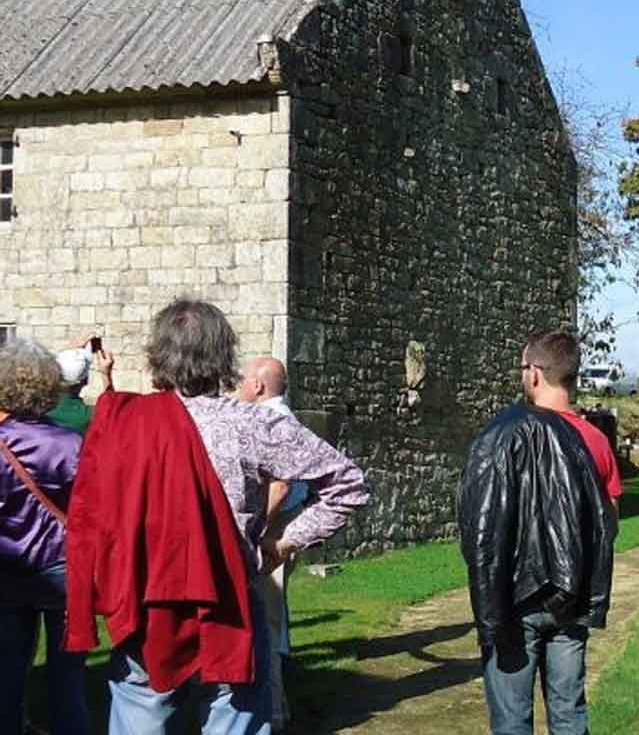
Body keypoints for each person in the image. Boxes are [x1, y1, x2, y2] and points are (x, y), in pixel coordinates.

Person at [66, 298, 369, 734]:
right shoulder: (252, 424)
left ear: (158, 355)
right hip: (227, 597)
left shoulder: (123, 423)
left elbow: (94, 515)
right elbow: (349, 485)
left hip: (148, 603)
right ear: (224, 355)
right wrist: (281, 541)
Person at [458, 329, 617, 735]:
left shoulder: (501, 433)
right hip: (572, 594)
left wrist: (489, 601)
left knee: (512, 721)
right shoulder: (594, 439)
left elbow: (482, 524)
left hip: (514, 597)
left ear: (534, 374)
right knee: (569, 714)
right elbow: (607, 522)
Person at [0, 337, 90, 735]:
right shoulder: (70, 444)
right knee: (67, 677)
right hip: (63, 568)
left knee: (7, 674)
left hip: (7, 567)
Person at [236, 355, 310, 733]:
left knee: (265, 619)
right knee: (271, 616)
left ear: (259, 386)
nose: (239, 385)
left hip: (272, 533)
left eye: (243, 379)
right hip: (282, 529)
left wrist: (255, 527)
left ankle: (273, 711)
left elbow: (280, 485)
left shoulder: (272, 421)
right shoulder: (285, 419)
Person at [47, 334, 114, 434]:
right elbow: (113, 412)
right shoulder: (86, 415)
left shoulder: (37, 407)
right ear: (85, 381)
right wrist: (106, 374)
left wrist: (67, 350)